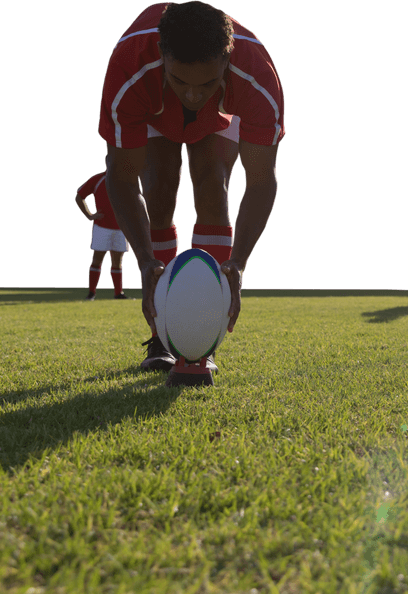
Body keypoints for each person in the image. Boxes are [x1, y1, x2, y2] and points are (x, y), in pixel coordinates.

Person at [98, 1, 285, 385]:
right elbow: (122, 176)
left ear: (227, 61)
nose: (193, 96)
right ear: (162, 55)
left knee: (212, 181)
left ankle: (203, 340)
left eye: (206, 83)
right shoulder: (129, 68)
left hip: (223, 111)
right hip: (152, 103)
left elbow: (261, 181)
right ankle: (162, 335)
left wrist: (239, 263)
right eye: (181, 81)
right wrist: (146, 261)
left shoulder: (256, 77)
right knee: (159, 186)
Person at [74, 155, 129, 300]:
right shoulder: (98, 179)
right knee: (97, 259)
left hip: (121, 228)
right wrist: (89, 215)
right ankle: (91, 293)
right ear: (106, 163)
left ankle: (118, 293)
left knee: (117, 261)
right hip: (102, 227)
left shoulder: (126, 180)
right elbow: (79, 196)